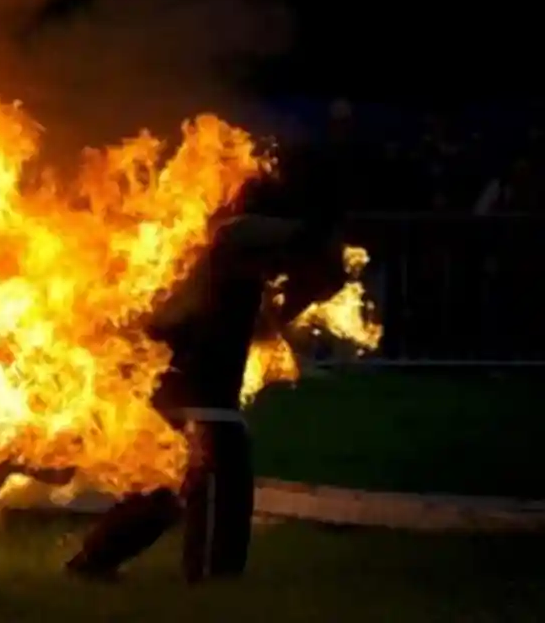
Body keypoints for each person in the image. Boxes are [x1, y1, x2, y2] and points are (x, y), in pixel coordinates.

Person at [64, 204, 346, 584]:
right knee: (214, 478)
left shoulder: (221, 269)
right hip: (201, 404)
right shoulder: (225, 246)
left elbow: (286, 302)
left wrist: (295, 299)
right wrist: (309, 245)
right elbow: (287, 242)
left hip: (180, 396)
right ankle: (213, 582)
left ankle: (93, 562)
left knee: (162, 492)